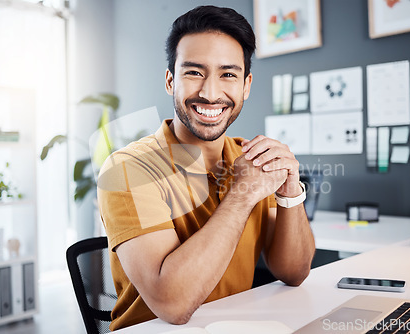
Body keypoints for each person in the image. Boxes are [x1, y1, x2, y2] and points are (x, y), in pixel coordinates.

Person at [97, 5, 315, 330]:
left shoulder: (249, 158)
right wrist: (241, 196)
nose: (211, 93)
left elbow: (294, 272)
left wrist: (290, 191)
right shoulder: (127, 169)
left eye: (228, 74)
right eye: (194, 72)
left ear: (246, 85)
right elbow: (172, 304)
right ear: (171, 80)